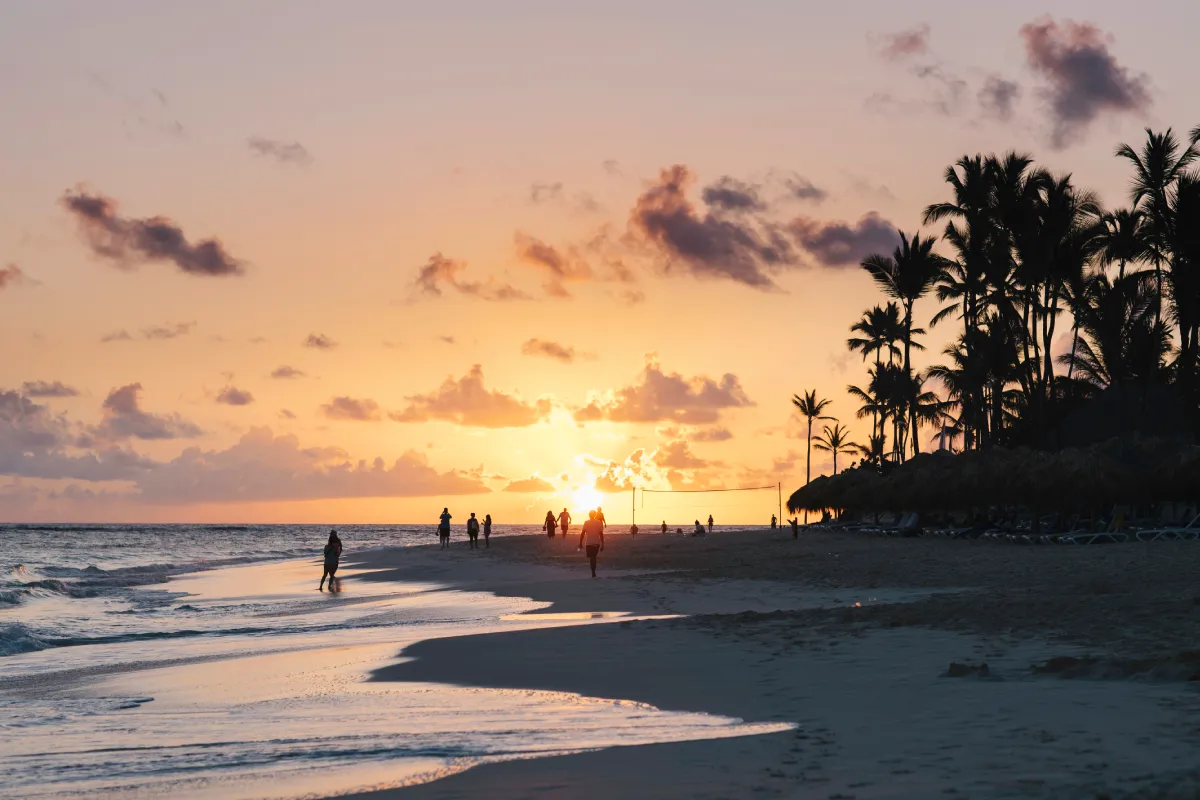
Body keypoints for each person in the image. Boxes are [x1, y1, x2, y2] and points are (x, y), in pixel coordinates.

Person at [578, 509, 604, 578]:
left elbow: (582, 533)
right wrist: (602, 544)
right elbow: (601, 534)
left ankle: (593, 572)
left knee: (591, 558)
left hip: (589, 543)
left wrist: (580, 542)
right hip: (596, 543)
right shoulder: (598, 522)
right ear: (595, 515)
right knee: (593, 558)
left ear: (589, 515)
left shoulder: (586, 522)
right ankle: (593, 572)